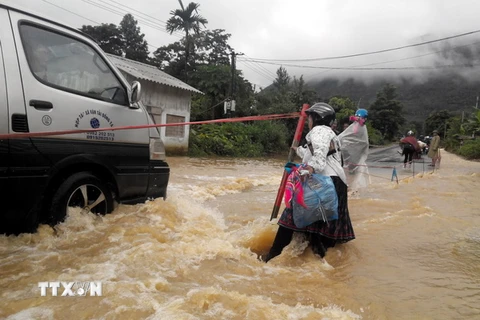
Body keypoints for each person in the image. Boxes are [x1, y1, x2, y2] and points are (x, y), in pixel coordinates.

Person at [262, 102, 355, 262]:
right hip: (336, 183)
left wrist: (310, 169)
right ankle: (321, 263)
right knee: (320, 227)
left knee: (290, 218)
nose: (308, 120)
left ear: (317, 118)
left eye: (310, 117)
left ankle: (271, 256)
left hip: (323, 182)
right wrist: (298, 150)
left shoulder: (318, 131)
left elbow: (318, 156)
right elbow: (319, 153)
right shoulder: (329, 133)